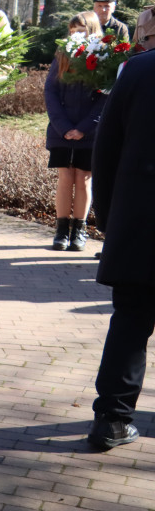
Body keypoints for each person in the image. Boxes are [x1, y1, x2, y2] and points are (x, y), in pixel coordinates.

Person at [87, 47, 155, 451]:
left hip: (139, 225)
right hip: (137, 223)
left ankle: (111, 417)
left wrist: (110, 218)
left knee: (129, 324)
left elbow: (105, 149)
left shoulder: (139, 70)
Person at [44, 11, 107, 252]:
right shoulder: (62, 55)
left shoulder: (102, 58)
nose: (76, 36)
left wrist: (83, 128)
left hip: (88, 133)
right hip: (62, 131)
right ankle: (61, 231)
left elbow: (104, 97)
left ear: (92, 32)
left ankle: (78, 231)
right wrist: (64, 127)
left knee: (84, 179)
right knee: (65, 178)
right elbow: (50, 92)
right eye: (72, 32)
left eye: (81, 31)